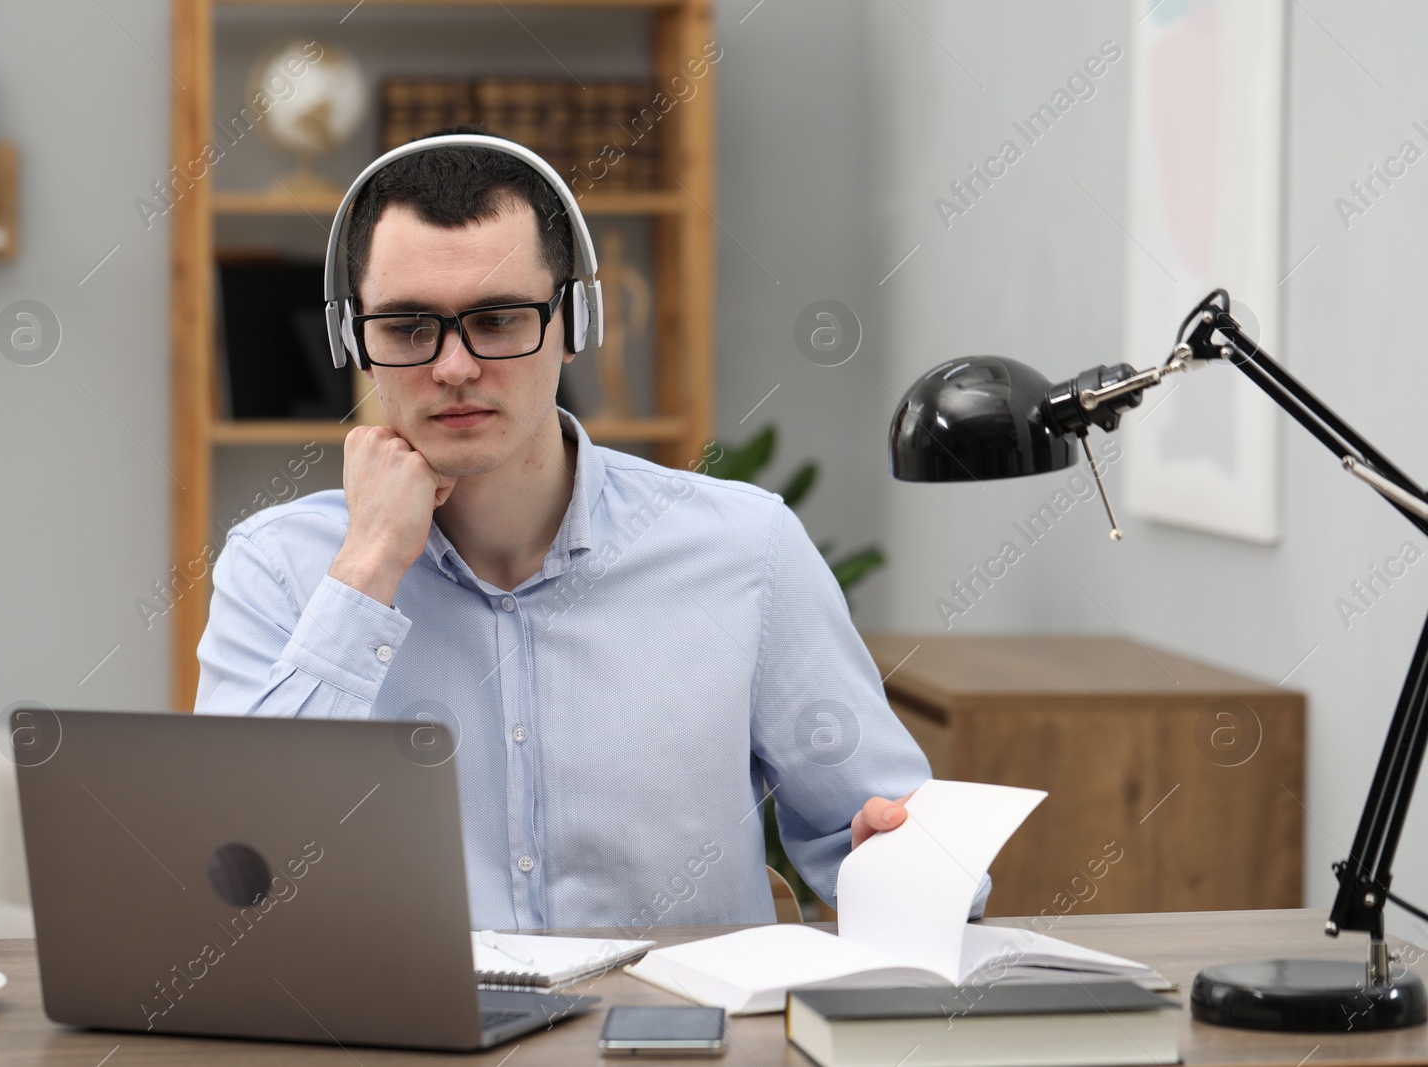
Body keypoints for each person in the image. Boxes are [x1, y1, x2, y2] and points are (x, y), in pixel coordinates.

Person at [196, 128, 989, 930]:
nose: (455, 367)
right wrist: (368, 566)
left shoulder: (749, 550)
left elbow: (901, 848)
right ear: (352, 341)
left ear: (576, 320)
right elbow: (232, 872)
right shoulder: (279, 570)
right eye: (407, 328)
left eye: (499, 319)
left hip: (676, 1048)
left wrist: (901, 864)